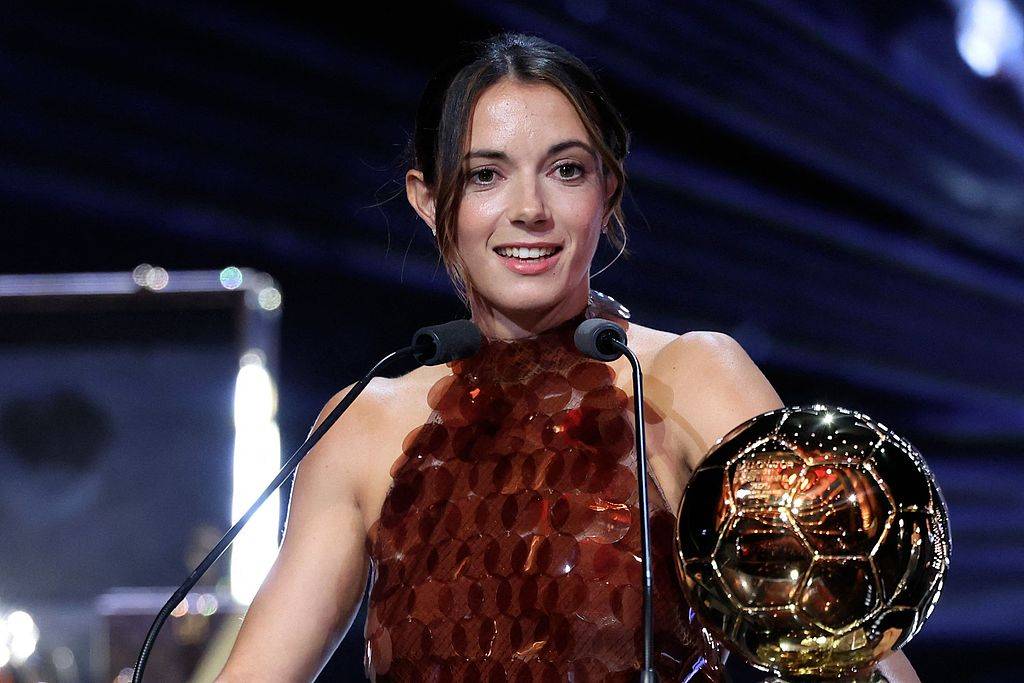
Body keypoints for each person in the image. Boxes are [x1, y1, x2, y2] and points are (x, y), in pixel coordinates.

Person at [215, 33, 921, 682]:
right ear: (428, 201)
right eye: (486, 175)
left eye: (566, 170)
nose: (530, 208)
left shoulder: (691, 377)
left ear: (606, 190)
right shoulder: (361, 425)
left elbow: (856, 647)